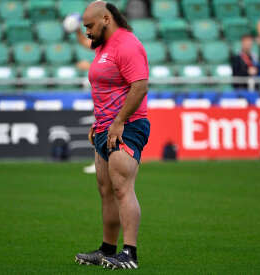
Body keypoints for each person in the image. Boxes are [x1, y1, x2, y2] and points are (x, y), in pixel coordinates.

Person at [74, 0, 150, 270]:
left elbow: (139, 86)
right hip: (106, 127)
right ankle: (107, 250)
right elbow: (107, 89)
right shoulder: (103, 47)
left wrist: (118, 122)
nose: (88, 32)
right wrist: (100, 123)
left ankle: (130, 253)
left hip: (128, 126)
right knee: (106, 190)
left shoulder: (127, 44)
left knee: (122, 188)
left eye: (90, 26)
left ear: (106, 18)